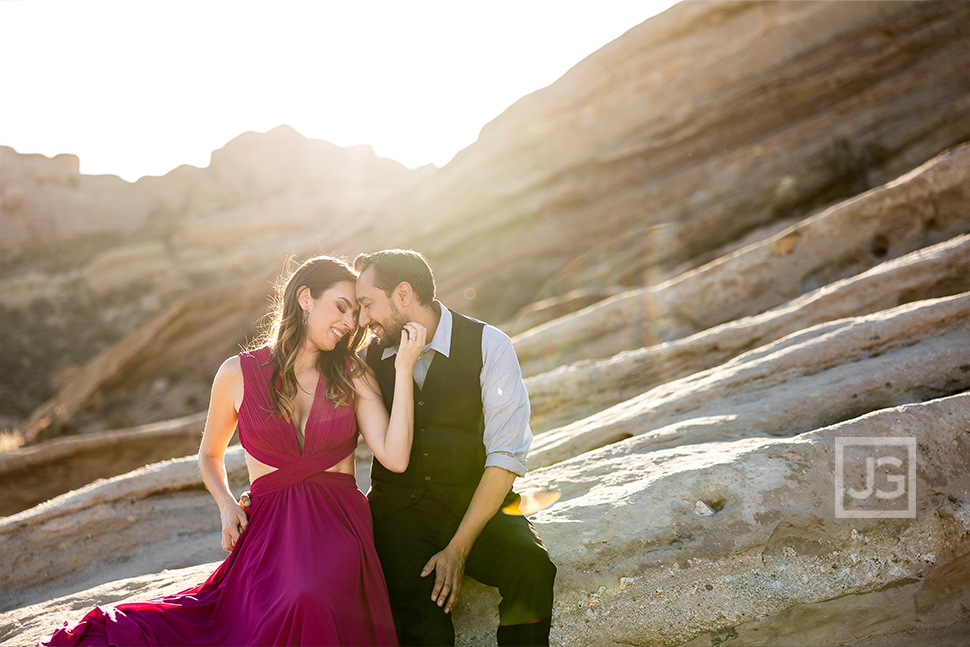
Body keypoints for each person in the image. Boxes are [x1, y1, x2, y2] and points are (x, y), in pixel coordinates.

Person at [39, 255, 427, 647]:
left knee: (308, 597)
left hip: (338, 528)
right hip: (268, 532)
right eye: (342, 307)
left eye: (357, 312)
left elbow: (395, 457)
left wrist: (404, 369)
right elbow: (209, 454)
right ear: (305, 298)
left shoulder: (352, 374)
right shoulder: (236, 373)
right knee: (243, 618)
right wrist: (226, 504)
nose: (350, 323)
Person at [353, 249, 557, 647]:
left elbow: (505, 456)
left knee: (532, 568)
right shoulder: (367, 361)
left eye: (367, 305)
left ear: (404, 294)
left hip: (476, 503)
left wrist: (457, 551)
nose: (363, 320)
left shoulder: (490, 345)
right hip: (401, 514)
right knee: (419, 611)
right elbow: (328, 436)